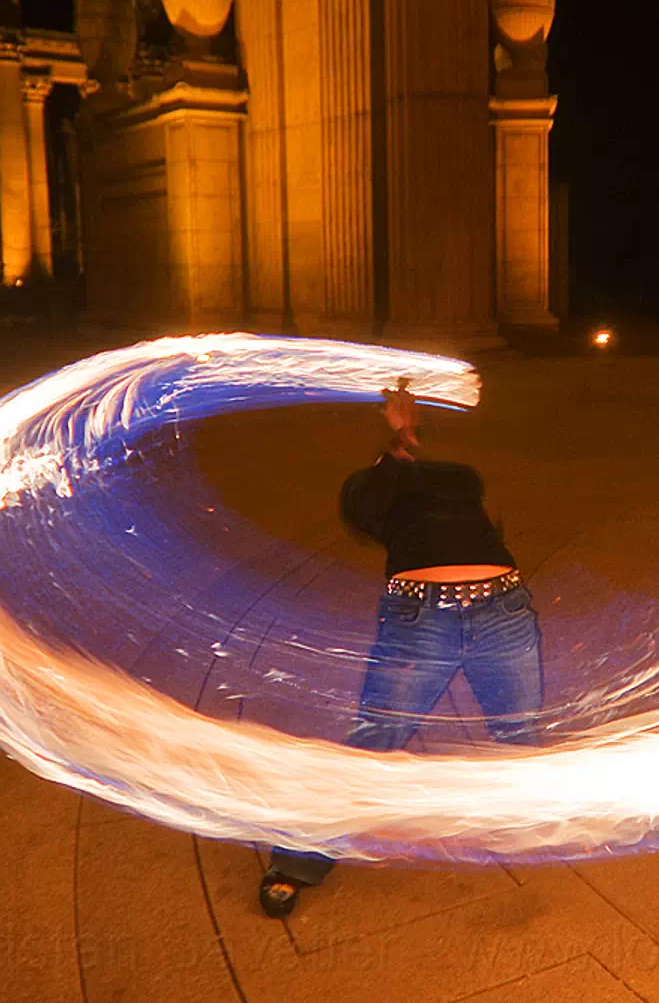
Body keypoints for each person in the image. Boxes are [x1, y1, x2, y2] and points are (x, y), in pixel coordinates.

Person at [258, 382, 543, 917]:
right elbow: (373, 497)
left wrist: (413, 439)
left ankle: (531, 817)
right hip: (420, 620)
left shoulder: (463, 482)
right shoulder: (368, 495)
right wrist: (396, 444)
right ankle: (300, 858)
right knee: (377, 737)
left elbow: (473, 492)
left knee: (520, 732)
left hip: (504, 610)